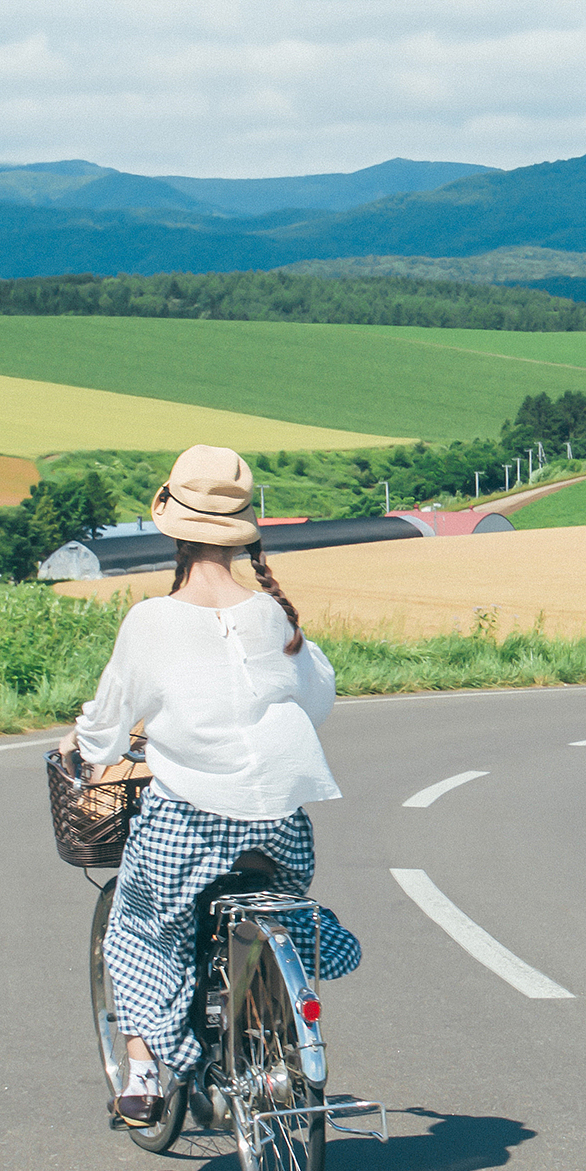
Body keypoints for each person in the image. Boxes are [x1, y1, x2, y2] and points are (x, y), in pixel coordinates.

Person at [75, 445, 363, 1124]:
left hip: (188, 827)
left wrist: (88, 750)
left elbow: (109, 723)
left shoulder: (152, 621)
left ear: (172, 525)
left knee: (142, 926)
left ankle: (144, 1069)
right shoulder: (275, 615)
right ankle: (266, 1012)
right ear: (244, 530)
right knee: (271, 906)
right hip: (281, 828)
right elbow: (316, 703)